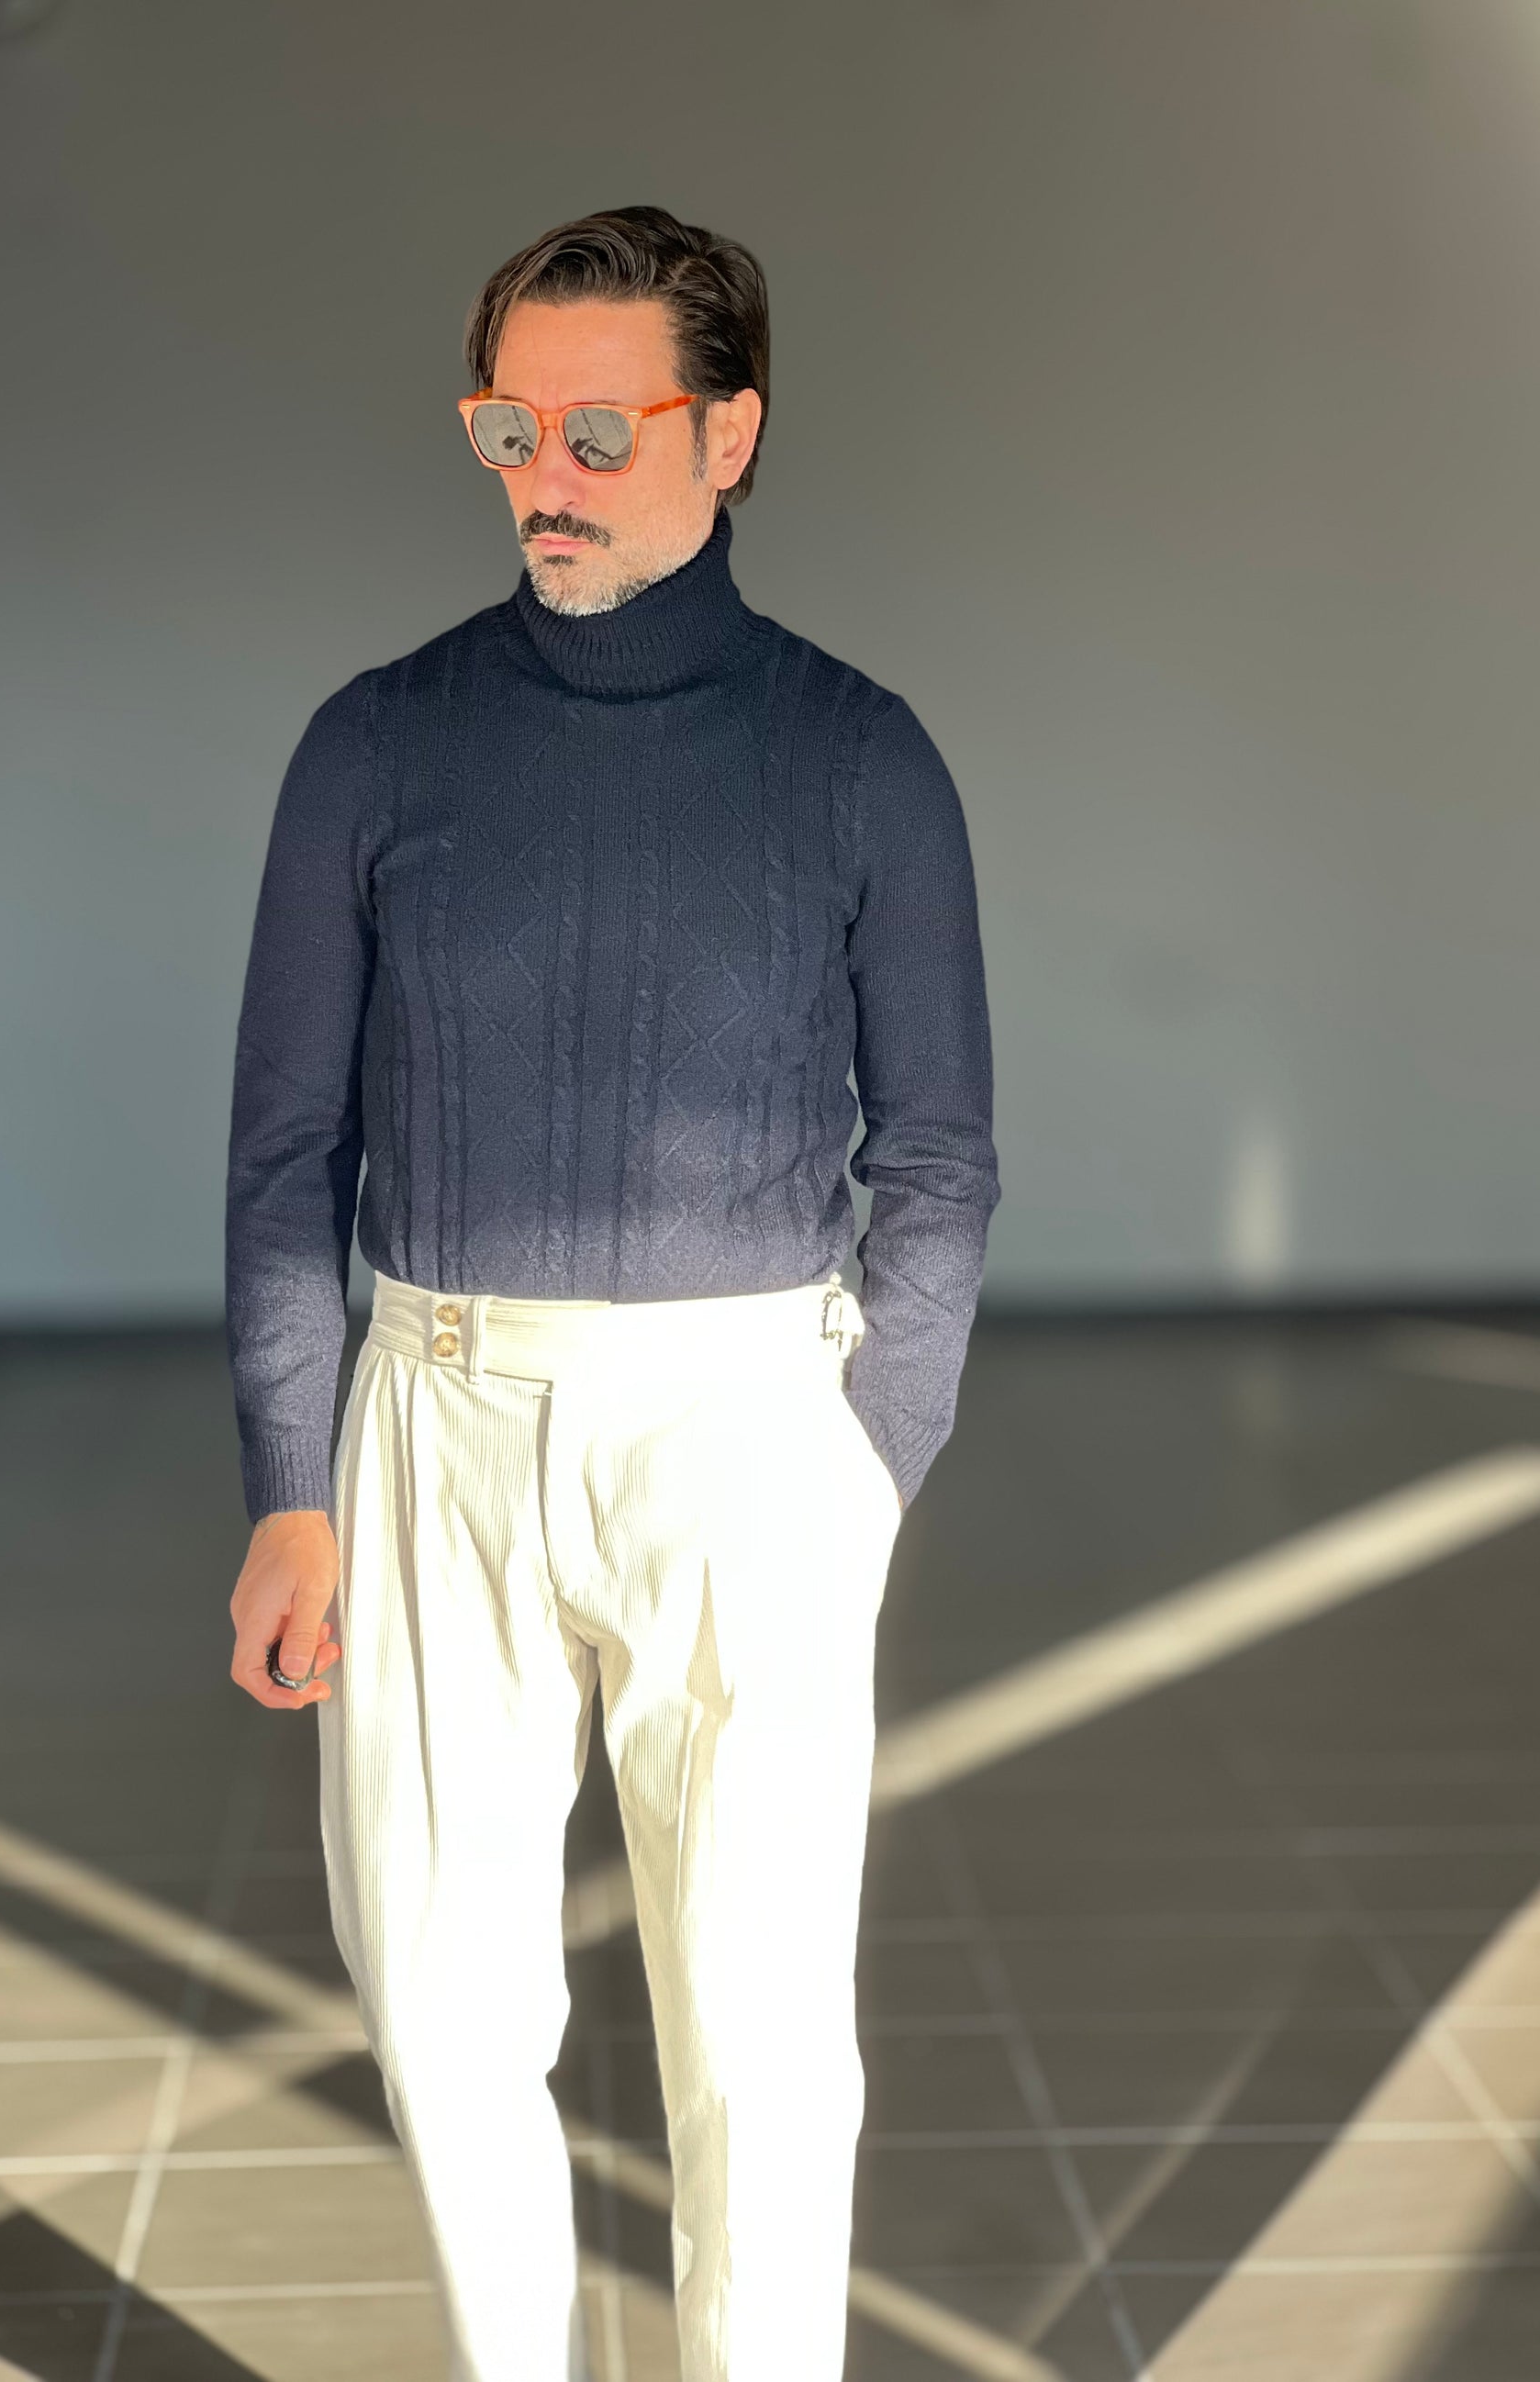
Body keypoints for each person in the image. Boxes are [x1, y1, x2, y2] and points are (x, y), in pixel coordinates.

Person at [222, 204, 999, 2382]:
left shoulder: (858, 756)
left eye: (595, 430)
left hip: (753, 1438)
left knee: (761, 2039)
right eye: (506, 429)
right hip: (432, 1414)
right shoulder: (375, 744)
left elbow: (939, 1157)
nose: (540, 479)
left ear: (726, 433)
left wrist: (863, 1465)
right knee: (442, 2007)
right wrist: (294, 1483)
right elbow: (286, 1155)